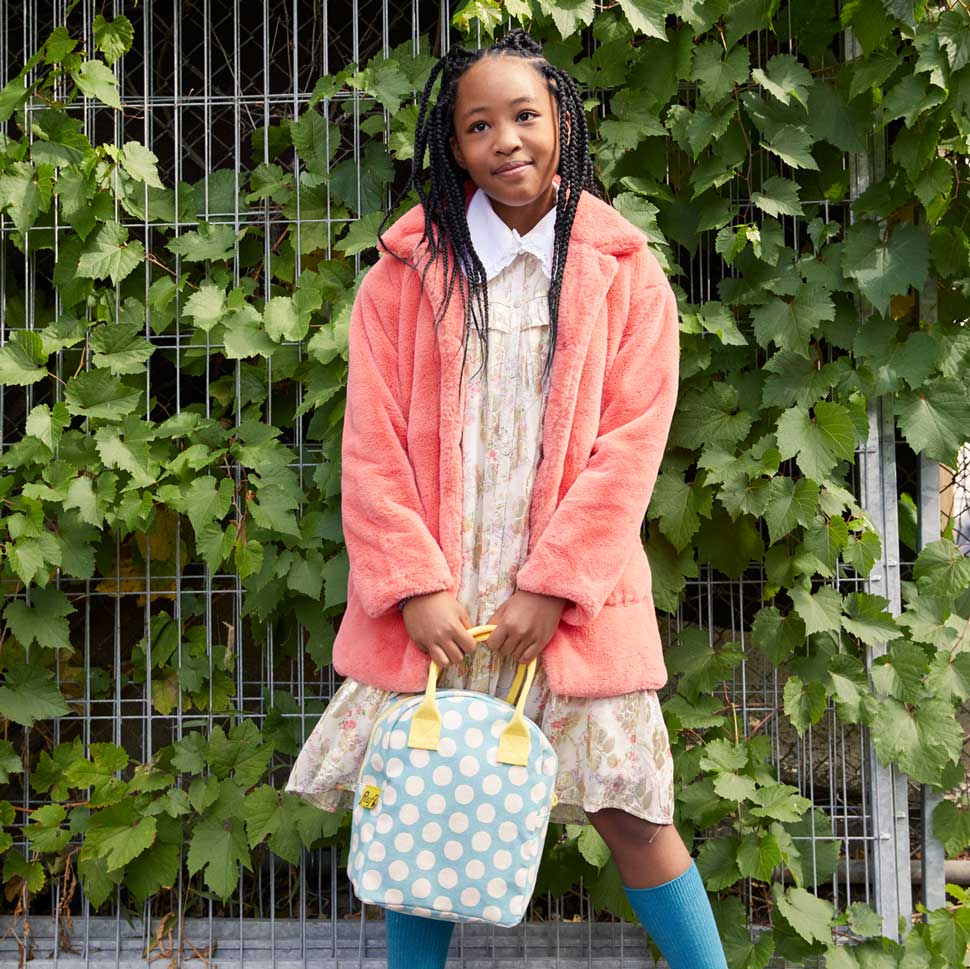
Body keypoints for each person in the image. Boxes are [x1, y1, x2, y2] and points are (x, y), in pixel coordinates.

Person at [286, 28, 728, 969]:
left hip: (566, 607)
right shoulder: (400, 280)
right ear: (453, 146)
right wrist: (413, 586)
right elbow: (370, 451)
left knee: (632, 811)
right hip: (439, 605)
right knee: (420, 808)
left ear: (561, 119)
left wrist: (555, 585)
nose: (507, 139)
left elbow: (629, 446)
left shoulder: (622, 272)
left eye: (525, 115)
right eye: (478, 124)